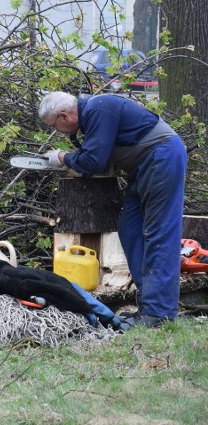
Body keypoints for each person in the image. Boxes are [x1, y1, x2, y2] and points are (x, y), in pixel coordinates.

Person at [38, 91, 187, 328]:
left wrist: (64, 157)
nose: (57, 131)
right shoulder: (92, 116)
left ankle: (160, 314)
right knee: (130, 230)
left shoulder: (99, 109)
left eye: (54, 126)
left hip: (162, 157)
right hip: (143, 168)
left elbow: (94, 161)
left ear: (64, 116)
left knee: (159, 234)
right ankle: (150, 307)